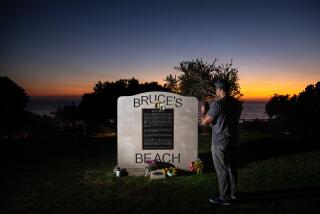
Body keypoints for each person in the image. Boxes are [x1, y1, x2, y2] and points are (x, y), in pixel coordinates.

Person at [200, 79, 243, 206]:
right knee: (232, 168)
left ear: (219, 90)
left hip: (220, 143)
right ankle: (234, 194)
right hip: (233, 141)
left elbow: (204, 122)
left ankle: (225, 198)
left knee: (222, 170)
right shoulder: (237, 104)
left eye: (216, 90)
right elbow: (226, 119)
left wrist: (204, 111)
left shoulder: (217, 105)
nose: (215, 92)